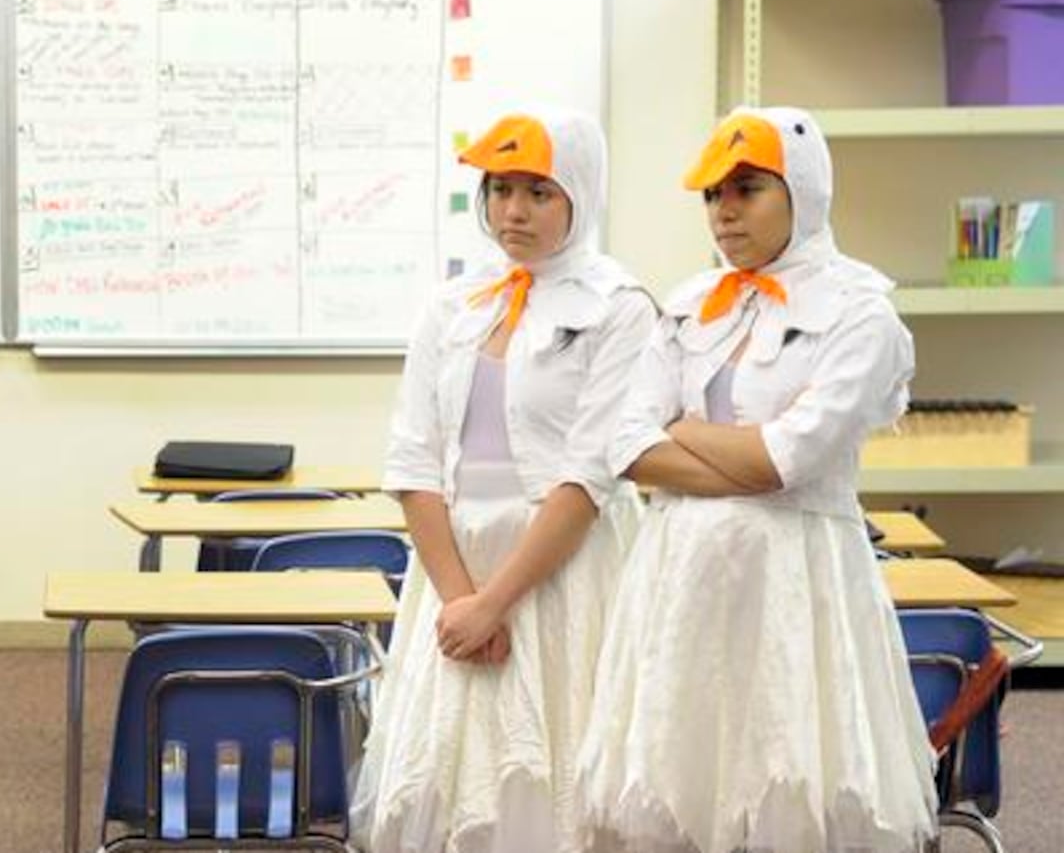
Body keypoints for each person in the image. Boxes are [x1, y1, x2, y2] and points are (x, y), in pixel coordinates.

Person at [576, 106, 937, 853]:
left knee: (790, 781)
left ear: (802, 190)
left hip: (796, 585)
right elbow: (625, 446)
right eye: (712, 195)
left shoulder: (860, 311)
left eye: (746, 188)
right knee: (676, 785)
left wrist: (681, 430)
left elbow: (790, 460)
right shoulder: (687, 305)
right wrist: (739, 456)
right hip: (679, 580)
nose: (724, 211)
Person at [353, 108, 655, 853]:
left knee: (561, 772)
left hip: (566, 572)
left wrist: (498, 602)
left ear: (580, 193)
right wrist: (463, 601)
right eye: (500, 189)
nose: (513, 210)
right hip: (456, 570)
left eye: (539, 192)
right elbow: (413, 459)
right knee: (450, 779)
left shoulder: (620, 307)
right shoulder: (453, 302)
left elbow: (589, 477)